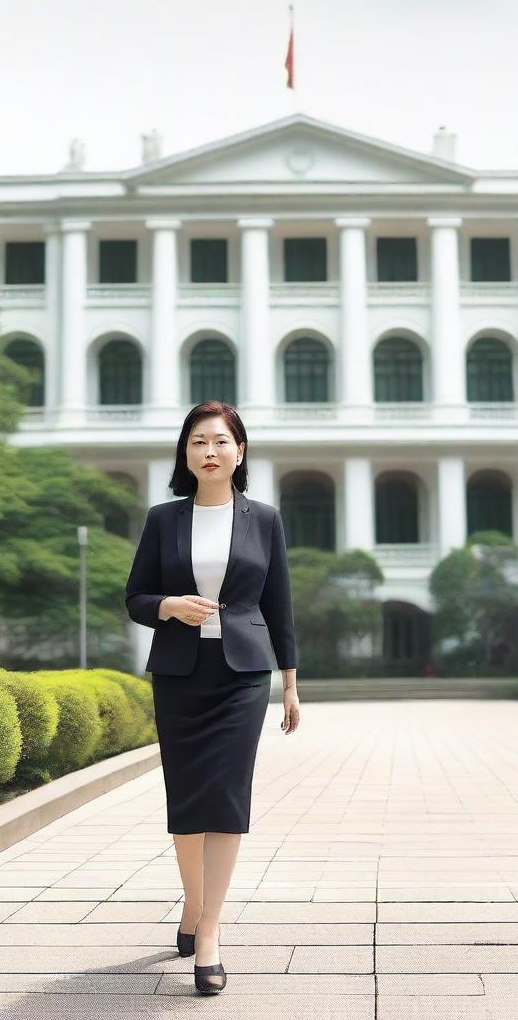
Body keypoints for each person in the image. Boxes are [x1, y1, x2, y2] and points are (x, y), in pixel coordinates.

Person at [124, 400, 301, 995]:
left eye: (220, 441)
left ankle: (210, 933)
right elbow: (136, 598)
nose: (209, 451)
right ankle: (193, 903)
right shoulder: (163, 519)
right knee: (187, 795)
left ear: (239, 451)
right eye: (198, 441)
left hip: (242, 674)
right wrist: (168, 607)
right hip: (179, 671)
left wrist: (291, 684)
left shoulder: (265, 519)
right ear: (186, 453)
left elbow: (279, 605)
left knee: (226, 795)